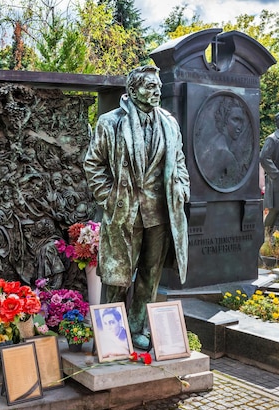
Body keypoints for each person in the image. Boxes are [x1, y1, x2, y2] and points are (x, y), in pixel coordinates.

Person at [83, 65, 190, 350]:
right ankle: (109, 335)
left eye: (158, 87)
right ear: (132, 90)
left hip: (159, 213)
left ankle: (137, 327)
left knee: (149, 276)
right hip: (125, 212)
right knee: (117, 277)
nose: (156, 91)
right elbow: (93, 164)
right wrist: (108, 198)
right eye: (149, 87)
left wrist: (182, 188)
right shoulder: (110, 122)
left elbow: (178, 161)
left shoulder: (169, 122)